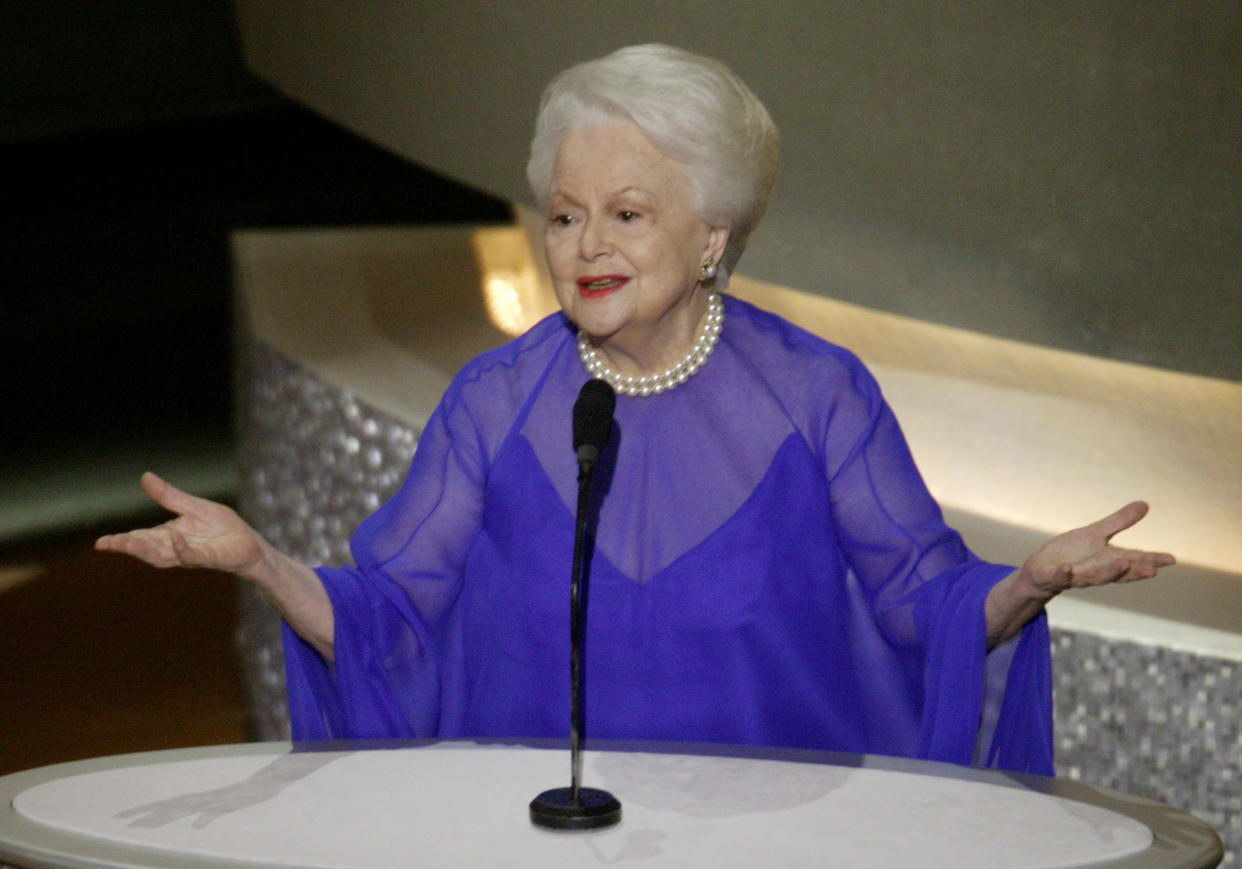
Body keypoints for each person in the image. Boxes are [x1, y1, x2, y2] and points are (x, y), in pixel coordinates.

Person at [96, 44, 1174, 776]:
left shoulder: (817, 393)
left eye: (625, 212)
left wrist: (1028, 581)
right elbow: (390, 617)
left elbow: (919, 608)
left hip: (771, 847)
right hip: (535, 841)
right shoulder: (496, 400)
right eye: (564, 216)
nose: (586, 246)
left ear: (712, 232)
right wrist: (258, 565)